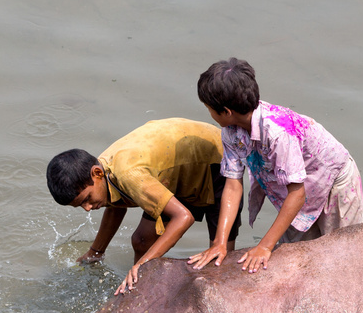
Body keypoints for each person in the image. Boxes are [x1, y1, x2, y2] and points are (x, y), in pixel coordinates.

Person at [188, 58, 363, 274]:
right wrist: (220, 242)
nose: (210, 114)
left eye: (209, 109)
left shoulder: (277, 132)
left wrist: (264, 246)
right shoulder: (231, 132)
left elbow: (297, 195)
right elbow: (233, 185)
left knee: (345, 254)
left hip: (332, 180)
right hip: (295, 183)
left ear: (226, 111)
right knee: (296, 259)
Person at [47, 119, 241, 295]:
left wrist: (142, 264)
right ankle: (138, 291)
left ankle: (140, 279)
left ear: (97, 173)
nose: (88, 208)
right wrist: (96, 252)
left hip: (214, 159)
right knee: (142, 241)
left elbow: (184, 217)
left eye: (86, 199)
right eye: (80, 206)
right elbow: (116, 205)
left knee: (220, 258)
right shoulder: (101, 172)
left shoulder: (129, 175)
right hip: (173, 170)